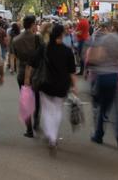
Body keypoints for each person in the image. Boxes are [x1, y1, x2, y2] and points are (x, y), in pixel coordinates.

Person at [26, 23, 76, 152]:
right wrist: (74, 86)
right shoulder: (67, 50)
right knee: (57, 110)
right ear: (62, 34)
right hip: (62, 85)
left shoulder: (44, 48)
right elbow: (72, 71)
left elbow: (31, 63)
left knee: (47, 111)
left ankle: (51, 136)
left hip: (46, 84)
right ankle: (53, 137)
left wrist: (27, 79)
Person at [12, 15, 42, 137]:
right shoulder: (37, 38)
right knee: (37, 99)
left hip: (22, 72)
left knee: (26, 101)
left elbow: (15, 56)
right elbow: (42, 55)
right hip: (36, 73)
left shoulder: (16, 40)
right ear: (32, 24)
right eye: (35, 23)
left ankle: (29, 129)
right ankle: (36, 121)